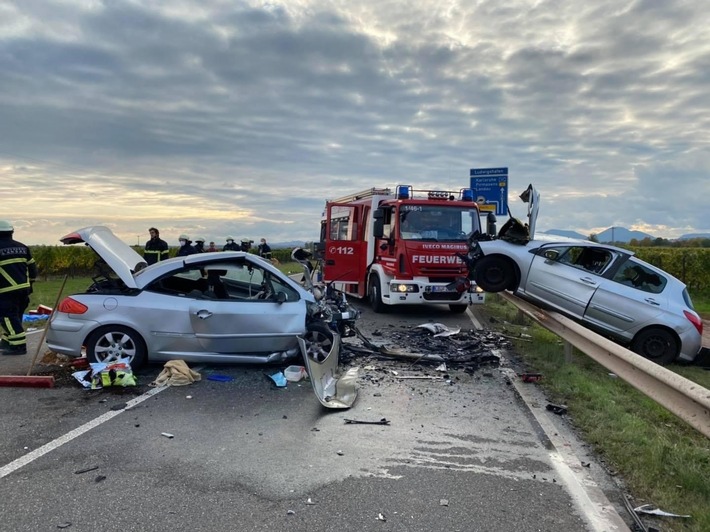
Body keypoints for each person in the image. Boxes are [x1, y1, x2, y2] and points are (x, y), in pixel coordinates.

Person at [0, 221, 38, 355]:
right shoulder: (22, 247)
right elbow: (33, 269)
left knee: (7, 317)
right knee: (15, 317)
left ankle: (18, 347)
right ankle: (6, 342)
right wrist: (30, 284)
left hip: (5, 292)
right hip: (24, 291)